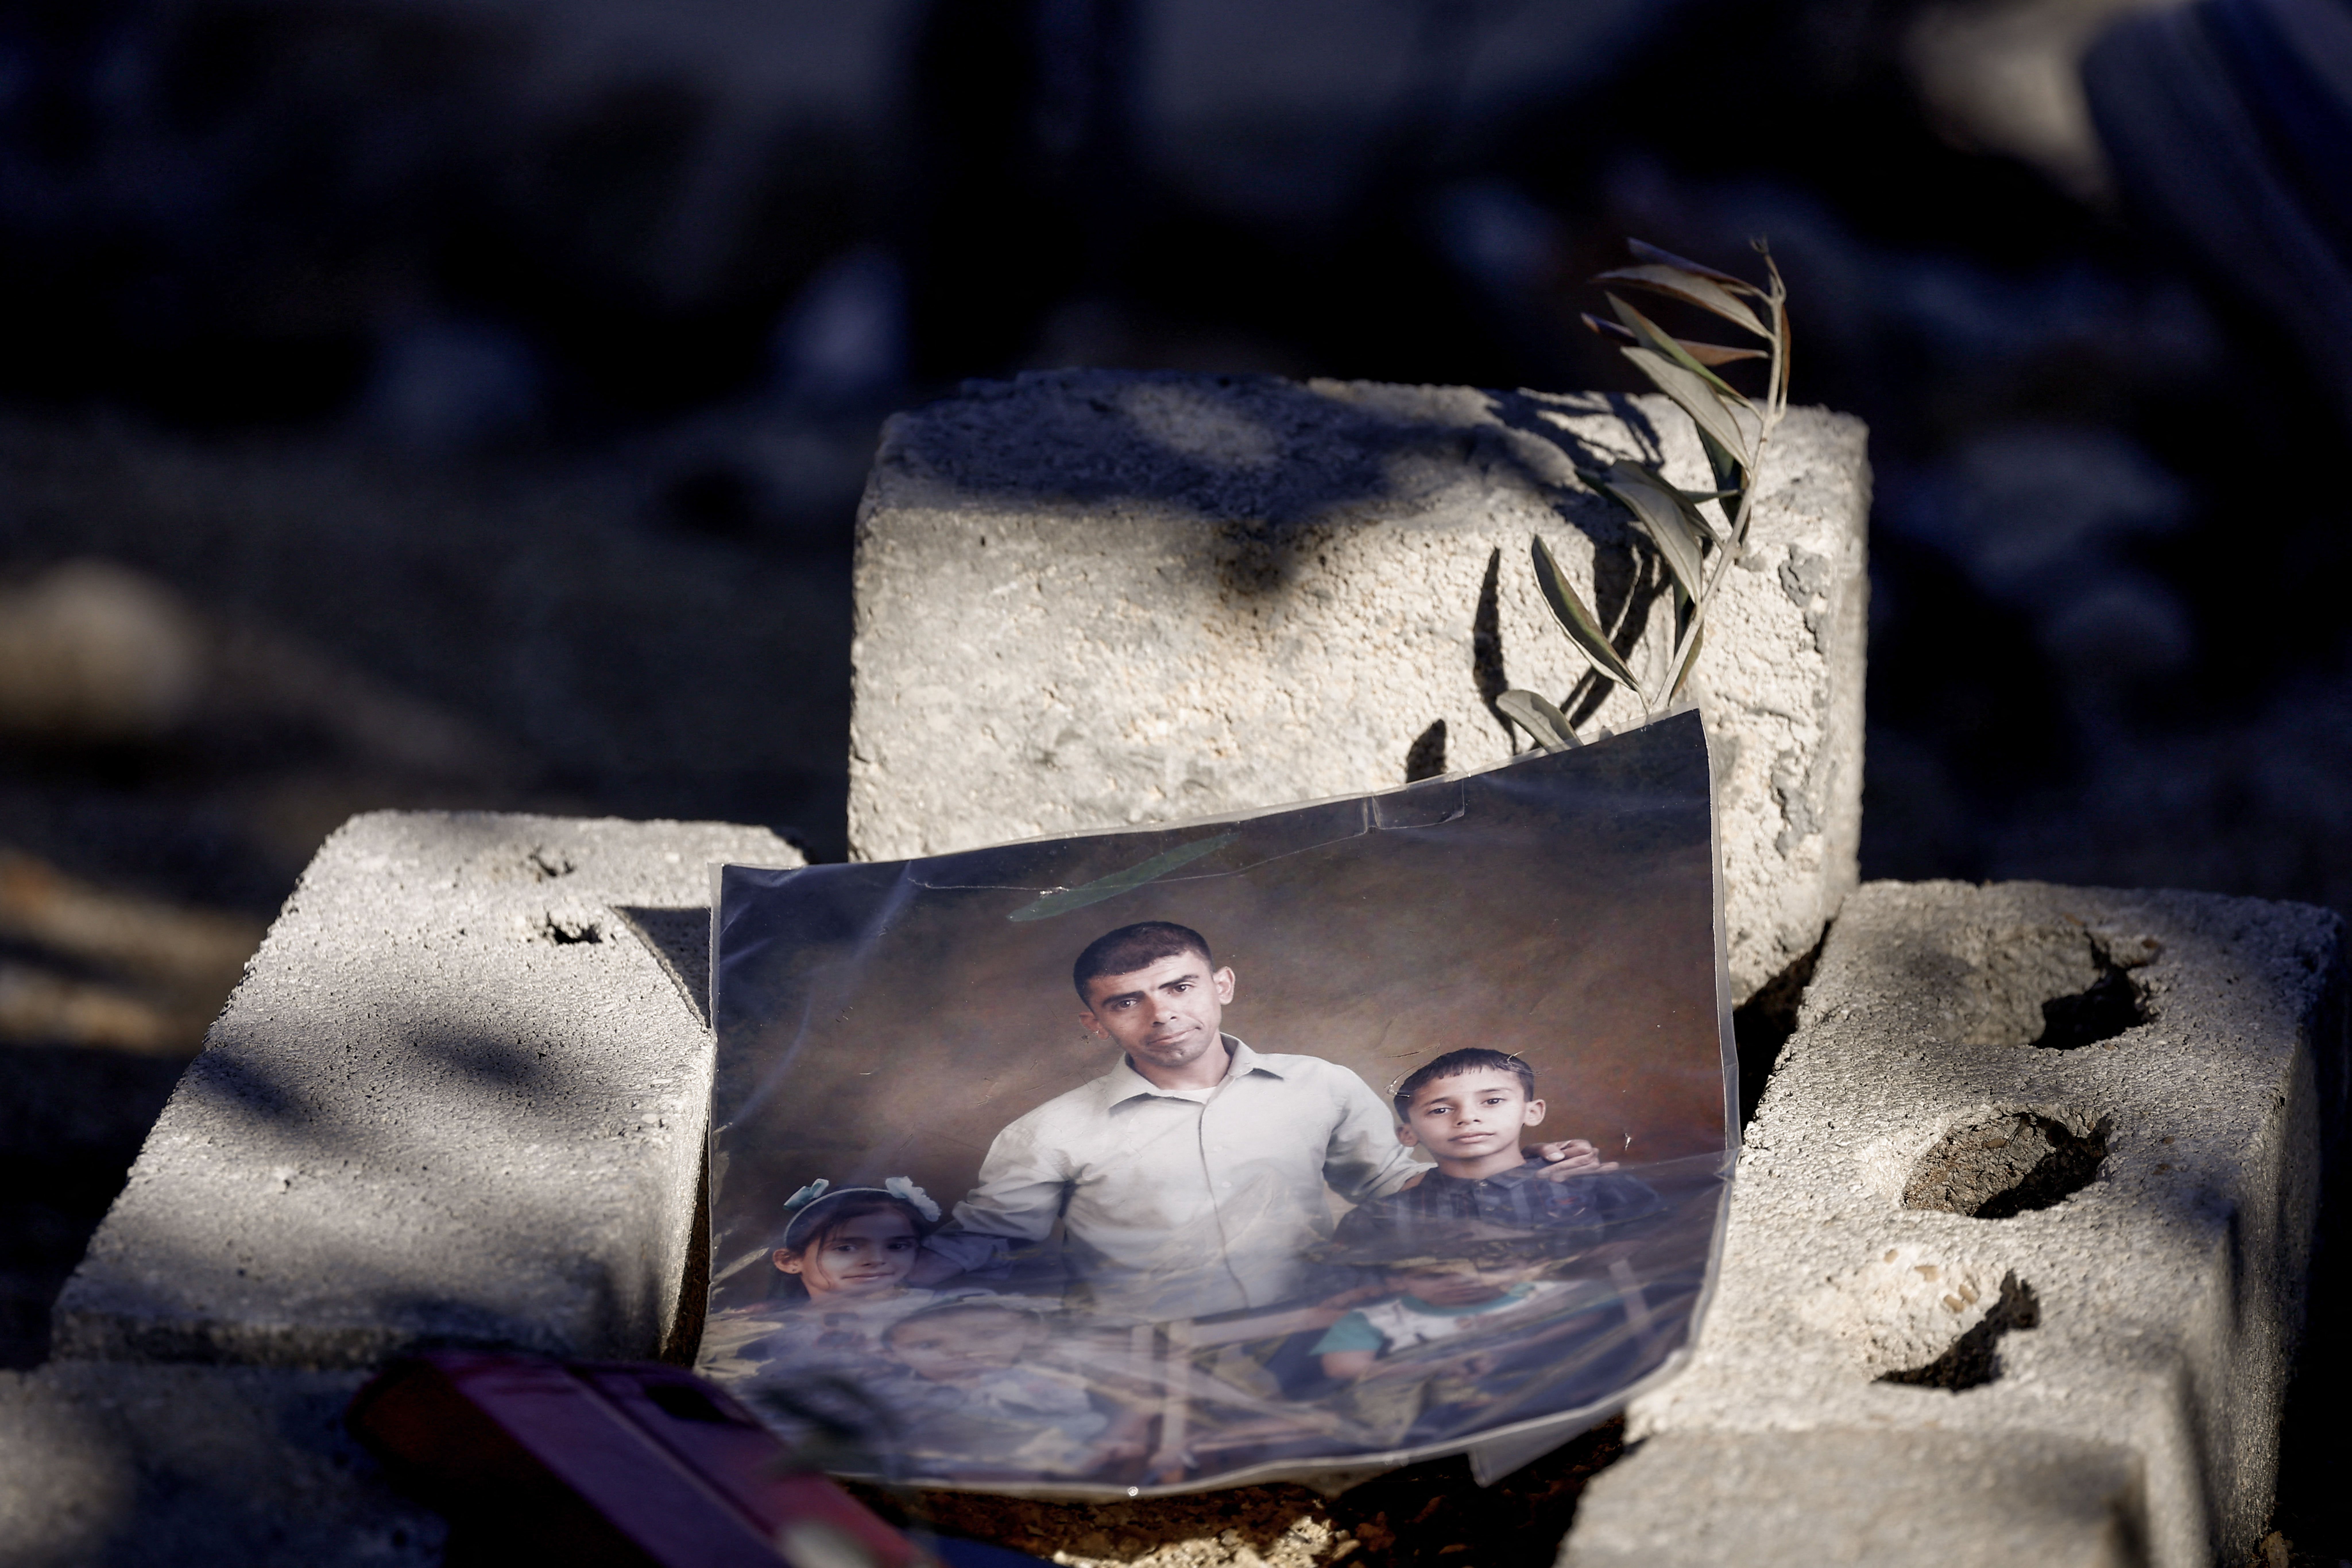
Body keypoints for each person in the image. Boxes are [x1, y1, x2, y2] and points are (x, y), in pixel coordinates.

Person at [918, 925, 1618, 1322]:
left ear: (1221, 986)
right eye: (1126, 1002)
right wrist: (858, 1278)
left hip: (1318, 1322)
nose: (1161, 1014)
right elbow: (984, 1241)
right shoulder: (1049, 1132)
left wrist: (1517, 1163)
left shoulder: (1319, 1084)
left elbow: (1399, 1184)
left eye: (1180, 987)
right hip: (1146, 1349)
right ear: (1094, 1022)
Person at [1332, 1048, 1662, 1249]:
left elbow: (1673, 1250)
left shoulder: (1591, 1184)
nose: (1468, 1117)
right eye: (1440, 1109)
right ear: (1407, 1133)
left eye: (1492, 1101)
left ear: (1532, 1111)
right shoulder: (1378, 1219)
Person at [697, 1178, 962, 1385]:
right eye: (846, 1248)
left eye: (898, 1246)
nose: (877, 1260)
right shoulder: (765, 1325)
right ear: (790, 1261)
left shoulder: (941, 1309)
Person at [875, 1299, 1152, 1478]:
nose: (964, 1351)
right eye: (928, 1346)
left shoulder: (1028, 1377)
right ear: (891, 1355)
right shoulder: (899, 1391)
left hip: (1047, 1444)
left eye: (988, 1335)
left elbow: (1074, 1406)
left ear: (1029, 1334)